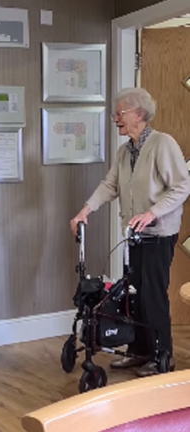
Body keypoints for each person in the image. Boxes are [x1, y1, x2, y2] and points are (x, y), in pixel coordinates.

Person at [70, 87, 190, 377]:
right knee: (132, 293)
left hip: (159, 234)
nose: (115, 118)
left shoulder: (163, 144)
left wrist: (153, 212)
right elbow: (110, 185)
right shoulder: (125, 151)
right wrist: (87, 209)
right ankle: (138, 350)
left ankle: (163, 355)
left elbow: (182, 186)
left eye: (120, 113)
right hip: (135, 235)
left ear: (140, 114)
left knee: (152, 294)